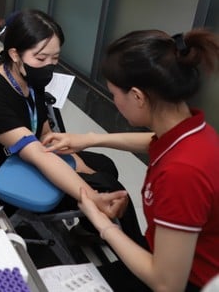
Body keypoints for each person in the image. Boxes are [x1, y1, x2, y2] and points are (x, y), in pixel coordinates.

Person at [43, 29, 219, 292]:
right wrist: (89, 139)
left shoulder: (181, 174)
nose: (114, 101)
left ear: (137, 96)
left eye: (114, 94)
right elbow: (152, 141)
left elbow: (166, 284)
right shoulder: (193, 133)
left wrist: (101, 222)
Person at [0, 10, 144, 244]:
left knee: (104, 165)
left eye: (55, 58)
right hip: (0, 172)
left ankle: (87, 229)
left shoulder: (29, 77)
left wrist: (81, 165)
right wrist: (90, 195)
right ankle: (136, 260)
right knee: (108, 186)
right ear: (15, 54)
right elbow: (37, 154)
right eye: (41, 58)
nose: (48, 66)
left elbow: (45, 134)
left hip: (30, 153)